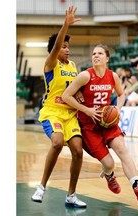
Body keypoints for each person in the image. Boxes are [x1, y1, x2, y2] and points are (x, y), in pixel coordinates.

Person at [62, 44, 138, 206]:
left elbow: (121, 94)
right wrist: (87, 110)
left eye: (99, 53)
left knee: (122, 150)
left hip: (108, 122)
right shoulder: (85, 76)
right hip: (89, 127)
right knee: (109, 163)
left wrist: (117, 109)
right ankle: (109, 174)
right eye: (93, 53)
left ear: (107, 58)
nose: (95, 56)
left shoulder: (113, 76)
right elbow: (66, 96)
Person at [31, 6, 87, 208]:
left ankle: (71, 195)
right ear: (56, 48)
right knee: (56, 142)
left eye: (68, 46)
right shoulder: (50, 63)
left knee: (78, 152)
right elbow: (55, 48)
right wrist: (66, 24)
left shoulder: (73, 67)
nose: (67, 49)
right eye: (64, 46)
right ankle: (41, 187)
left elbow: (77, 90)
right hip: (52, 112)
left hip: (70, 114)